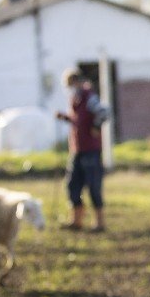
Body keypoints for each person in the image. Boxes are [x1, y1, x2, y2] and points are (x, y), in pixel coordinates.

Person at [55, 67, 108, 232]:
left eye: (70, 84)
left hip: (91, 149)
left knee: (93, 186)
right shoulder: (75, 98)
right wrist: (65, 118)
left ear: (76, 81)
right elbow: (78, 119)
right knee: (72, 185)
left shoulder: (89, 96)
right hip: (77, 149)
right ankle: (76, 220)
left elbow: (104, 112)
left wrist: (96, 126)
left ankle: (99, 222)